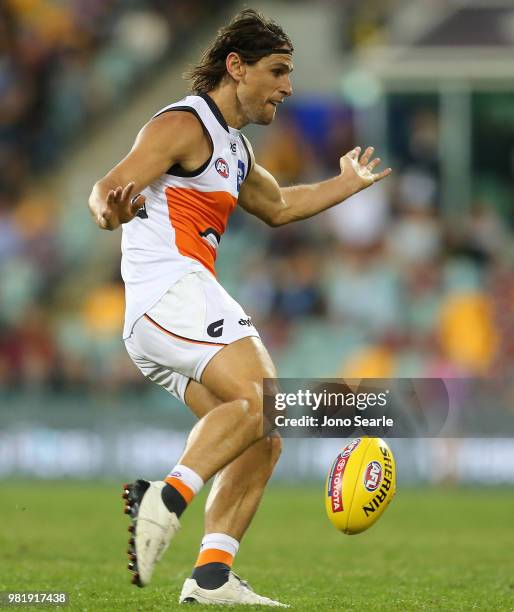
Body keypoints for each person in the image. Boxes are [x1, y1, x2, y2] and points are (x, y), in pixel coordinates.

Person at [88, 8, 391, 607]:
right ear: (236, 66)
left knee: (262, 435)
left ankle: (211, 577)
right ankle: (165, 498)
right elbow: (105, 191)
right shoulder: (185, 123)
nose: (288, 86)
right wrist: (109, 213)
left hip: (163, 314)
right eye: (278, 71)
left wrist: (347, 184)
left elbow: (279, 207)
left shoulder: (236, 149)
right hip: (169, 291)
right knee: (261, 397)